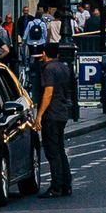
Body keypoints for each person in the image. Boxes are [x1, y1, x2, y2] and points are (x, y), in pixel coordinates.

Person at [33, 38, 78, 198]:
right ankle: (66, 184)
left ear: (44, 53)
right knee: (60, 149)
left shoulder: (48, 69)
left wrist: (39, 115)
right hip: (62, 112)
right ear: (58, 54)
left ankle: (56, 186)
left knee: (52, 151)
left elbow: (48, 92)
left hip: (51, 113)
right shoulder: (64, 67)